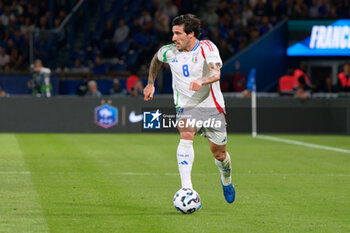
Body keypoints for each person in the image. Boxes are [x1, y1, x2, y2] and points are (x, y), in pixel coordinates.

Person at [143, 14, 235, 204]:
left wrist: (201, 80)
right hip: (186, 105)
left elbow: (215, 72)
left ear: (191, 34)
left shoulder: (206, 47)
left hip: (211, 106)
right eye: (173, 33)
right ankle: (187, 189)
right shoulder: (169, 51)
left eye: (178, 34)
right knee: (186, 134)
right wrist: (150, 83)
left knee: (219, 154)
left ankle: (226, 179)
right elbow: (156, 59)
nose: (173, 38)